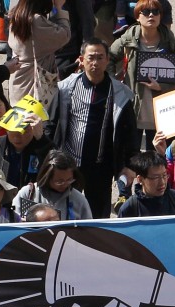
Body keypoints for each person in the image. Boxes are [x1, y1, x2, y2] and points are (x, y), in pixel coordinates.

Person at [48, 38, 138, 219]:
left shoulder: (120, 93)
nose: (95, 63)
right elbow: (50, 124)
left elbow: (130, 133)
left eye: (100, 57)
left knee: (98, 216)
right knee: (65, 212)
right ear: (82, 60)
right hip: (69, 164)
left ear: (107, 60)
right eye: (91, 58)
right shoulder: (66, 88)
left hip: (101, 166)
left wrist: (129, 166)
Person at [109, 0, 175, 149]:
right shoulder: (128, 38)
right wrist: (114, 83)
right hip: (134, 110)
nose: (151, 15)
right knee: (132, 158)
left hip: (160, 114)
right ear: (137, 16)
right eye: (146, 12)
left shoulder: (169, 40)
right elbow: (108, 57)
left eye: (156, 12)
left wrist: (161, 86)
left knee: (156, 159)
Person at [7, 0, 71, 104]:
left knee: (19, 116)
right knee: (34, 118)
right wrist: (59, 8)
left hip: (19, 81)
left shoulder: (17, 15)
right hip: (34, 85)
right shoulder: (36, 21)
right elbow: (65, 35)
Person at [118, 151, 175, 217]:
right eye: (155, 178)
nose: (162, 182)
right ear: (140, 179)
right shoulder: (129, 208)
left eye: (164, 175)